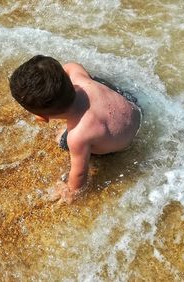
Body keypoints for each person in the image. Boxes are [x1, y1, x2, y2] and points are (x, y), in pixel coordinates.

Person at [9, 55, 142, 204]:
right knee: (95, 82)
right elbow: (72, 65)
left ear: (43, 117)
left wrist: (70, 191)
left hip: (121, 145)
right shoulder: (80, 80)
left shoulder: (78, 136)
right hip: (134, 107)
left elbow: (79, 174)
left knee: (62, 141)